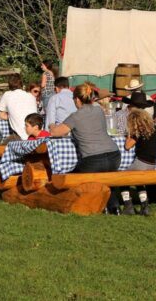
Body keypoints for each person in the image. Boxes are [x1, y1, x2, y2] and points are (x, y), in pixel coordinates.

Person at [50, 83, 122, 214]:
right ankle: (114, 207)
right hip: (114, 155)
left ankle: (92, 205)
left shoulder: (75, 116)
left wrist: (51, 126)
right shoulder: (99, 110)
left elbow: (57, 132)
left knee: (74, 175)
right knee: (107, 180)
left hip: (93, 158)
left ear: (77, 99)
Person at [122, 109, 156, 215]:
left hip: (141, 162)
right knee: (139, 182)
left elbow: (127, 146)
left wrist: (129, 135)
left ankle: (128, 205)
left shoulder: (138, 132)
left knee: (122, 179)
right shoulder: (154, 129)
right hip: (152, 164)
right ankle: (144, 205)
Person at [0, 74, 38, 140]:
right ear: (21, 84)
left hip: (20, 135)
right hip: (36, 133)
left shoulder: (7, 94)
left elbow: (0, 115)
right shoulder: (31, 96)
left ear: (9, 84)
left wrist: (12, 115)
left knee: (3, 147)